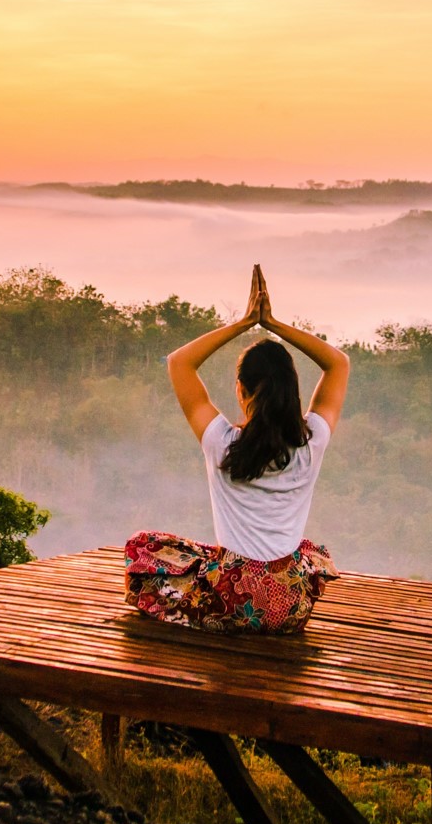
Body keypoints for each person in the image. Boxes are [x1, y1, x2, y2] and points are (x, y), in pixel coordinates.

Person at [124, 265, 350, 633]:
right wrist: (273, 324)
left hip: (229, 601)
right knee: (305, 552)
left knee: (142, 547)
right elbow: (338, 363)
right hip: (288, 608)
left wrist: (245, 322)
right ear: (292, 392)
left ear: (241, 390)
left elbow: (180, 362)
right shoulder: (312, 442)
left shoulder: (221, 443)